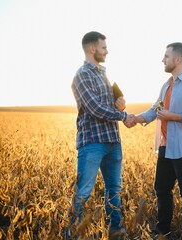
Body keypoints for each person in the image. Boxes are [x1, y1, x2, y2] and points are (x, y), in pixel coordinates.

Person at [133, 42, 182, 239]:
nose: (162, 60)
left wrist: (173, 116)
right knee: (162, 189)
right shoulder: (166, 85)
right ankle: (163, 229)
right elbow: (155, 110)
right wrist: (136, 119)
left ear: (178, 59)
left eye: (166, 56)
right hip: (165, 146)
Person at [70, 31, 135, 239]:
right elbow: (95, 109)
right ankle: (71, 234)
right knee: (82, 193)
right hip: (92, 142)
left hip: (113, 141)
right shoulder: (82, 75)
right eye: (104, 47)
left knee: (114, 189)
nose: (107, 51)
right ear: (92, 49)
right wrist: (123, 115)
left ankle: (116, 230)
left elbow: (109, 106)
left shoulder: (103, 74)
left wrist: (121, 103)